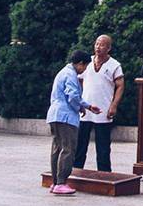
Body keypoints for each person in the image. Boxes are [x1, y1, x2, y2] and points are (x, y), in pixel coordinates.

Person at [46, 50, 95, 196]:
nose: (84, 70)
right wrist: (82, 106)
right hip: (66, 117)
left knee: (57, 148)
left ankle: (56, 182)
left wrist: (84, 106)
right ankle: (61, 182)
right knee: (68, 149)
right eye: (85, 67)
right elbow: (73, 96)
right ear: (80, 63)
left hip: (55, 115)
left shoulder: (62, 72)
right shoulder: (71, 75)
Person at [77, 33, 124, 172]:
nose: (98, 47)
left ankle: (104, 175)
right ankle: (76, 171)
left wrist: (114, 105)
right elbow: (79, 80)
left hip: (103, 110)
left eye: (102, 44)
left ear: (108, 48)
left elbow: (120, 85)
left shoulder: (114, 65)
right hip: (86, 110)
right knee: (80, 144)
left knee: (103, 147)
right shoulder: (87, 62)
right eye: (97, 43)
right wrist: (79, 102)